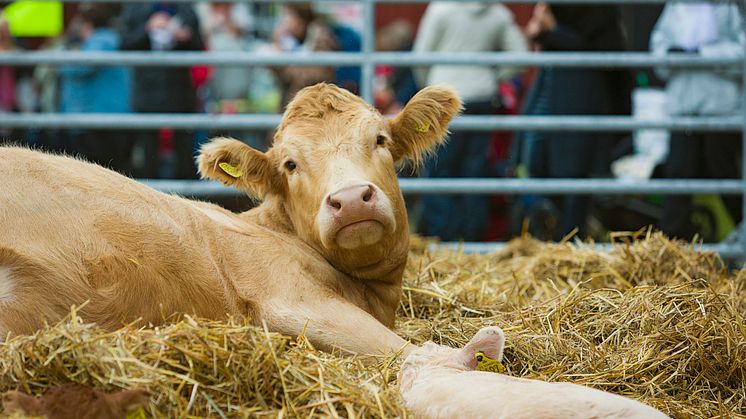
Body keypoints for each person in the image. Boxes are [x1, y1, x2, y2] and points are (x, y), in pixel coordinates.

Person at [413, 2, 527, 241]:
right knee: (474, 169)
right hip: (480, 97)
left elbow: (420, 56)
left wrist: (428, 89)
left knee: (438, 167)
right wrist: (493, 78)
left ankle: (443, 237)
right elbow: (520, 55)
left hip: (443, 97)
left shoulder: (440, 9)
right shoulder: (497, 12)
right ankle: (473, 237)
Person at [517, 3, 632, 240]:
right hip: (552, 86)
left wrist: (552, 30)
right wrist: (543, 29)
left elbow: (597, 49)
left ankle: (570, 241)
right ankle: (549, 230)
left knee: (574, 172)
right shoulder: (560, 12)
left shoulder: (599, 13)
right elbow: (536, 32)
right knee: (535, 162)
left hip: (581, 93)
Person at [651, 2, 745, 240]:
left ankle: (742, 234)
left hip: (722, 110)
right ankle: (670, 248)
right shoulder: (676, 6)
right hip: (683, 109)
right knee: (678, 173)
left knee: (724, 173)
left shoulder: (731, 7)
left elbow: (741, 52)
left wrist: (702, 55)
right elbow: (657, 49)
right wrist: (673, 56)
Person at [119, 3, 203, 179]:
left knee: (185, 152)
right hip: (148, 92)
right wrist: (147, 28)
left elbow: (199, 45)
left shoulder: (186, 10)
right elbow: (125, 45)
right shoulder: (136, 10)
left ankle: (185, 199)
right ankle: (149, 198)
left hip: (180, 92)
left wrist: (186, 36)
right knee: (149, 154)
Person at [57, 5, 132, 173]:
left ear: (88, 24)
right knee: (114, 170)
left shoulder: (100, 41)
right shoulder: (111, 40)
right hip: (112, 118)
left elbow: (78, 67)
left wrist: (64, 54)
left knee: (98, 171)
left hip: (100, 119)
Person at [271, 3, 340, 110]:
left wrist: (280, 61)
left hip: (314, 108)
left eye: (289, 17)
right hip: (295, 105)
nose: (285, 23)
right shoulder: (292, 40)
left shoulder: (322, 40)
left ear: (301, 19)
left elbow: (312, 78)